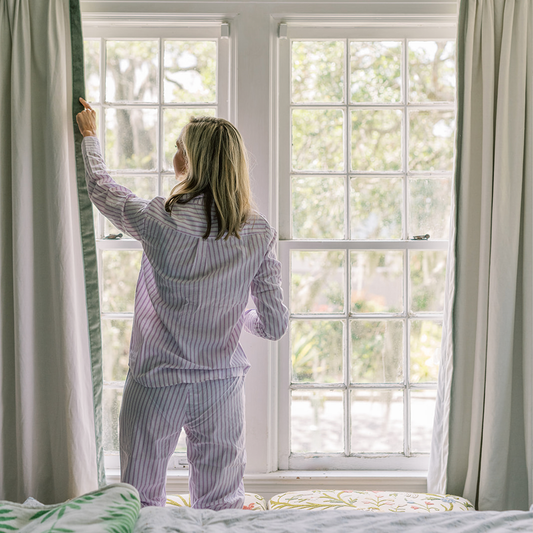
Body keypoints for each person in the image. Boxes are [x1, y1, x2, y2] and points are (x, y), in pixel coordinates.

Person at [76, 98, 289, 510]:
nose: (174, 155)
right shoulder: (258, 232)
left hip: (156, 381)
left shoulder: (160, 219)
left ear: (193, 162)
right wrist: (240, 317)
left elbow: (103, 190)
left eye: (180, 148)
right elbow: (275, 324)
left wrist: (89, 137)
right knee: (221, 507)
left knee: (140, 503)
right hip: (220, 385)